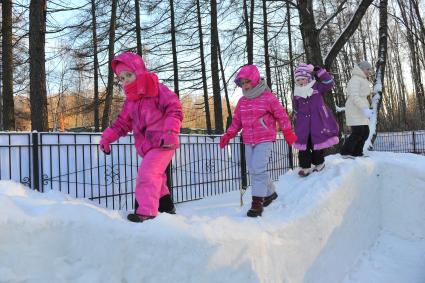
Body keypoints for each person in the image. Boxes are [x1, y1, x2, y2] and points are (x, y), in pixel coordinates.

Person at [99, 52, 183, 223]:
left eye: (129, 75)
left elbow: (174, 110)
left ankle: (146, 212)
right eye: (121, 78)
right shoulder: (131, 101)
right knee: (156, 177)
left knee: (148, 174)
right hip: (146, 146)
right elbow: (121, 124)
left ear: (140, 71)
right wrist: (106, 138)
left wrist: (170, 133)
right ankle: (167, 207)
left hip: (163, 142)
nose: (126, 80)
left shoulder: (158, 90)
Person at [219, 64, 297, 217]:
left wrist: (287, 131)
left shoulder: (268, 97)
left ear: (254, 80)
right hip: (249, 139)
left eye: (247, 82)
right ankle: (270, 193)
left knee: (258, 168)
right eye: (242, 83)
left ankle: (257, 202)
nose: (245, 86)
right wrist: (228, 135)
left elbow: (281, 114)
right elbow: (236, 122)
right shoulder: (242, 101)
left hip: (265, 137)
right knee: (254, 169)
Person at [292, 63, 339, 177]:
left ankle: (319, 163)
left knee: (317, 143)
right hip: (303, 124)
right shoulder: (297, 93)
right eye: (298, 80)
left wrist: (317, 70)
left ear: (308, 78)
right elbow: (296, 108)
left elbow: (329, 83)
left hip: (318, 122)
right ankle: (305, 166)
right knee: (304, 145)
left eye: (303, 79)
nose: (301, 82)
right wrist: (295, 119)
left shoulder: (317, 87)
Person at [341, 61, 373, 158]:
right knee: (358, 132)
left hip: (361, 108)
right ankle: (345, 152)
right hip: (354, 108)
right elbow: (354, 96)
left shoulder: (362, 79)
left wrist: (365, 107)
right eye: (367, 69)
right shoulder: (355, 79)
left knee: (365, 132)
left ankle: (357, 152)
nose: (369, 71)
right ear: (362, 69)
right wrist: (364, 108)